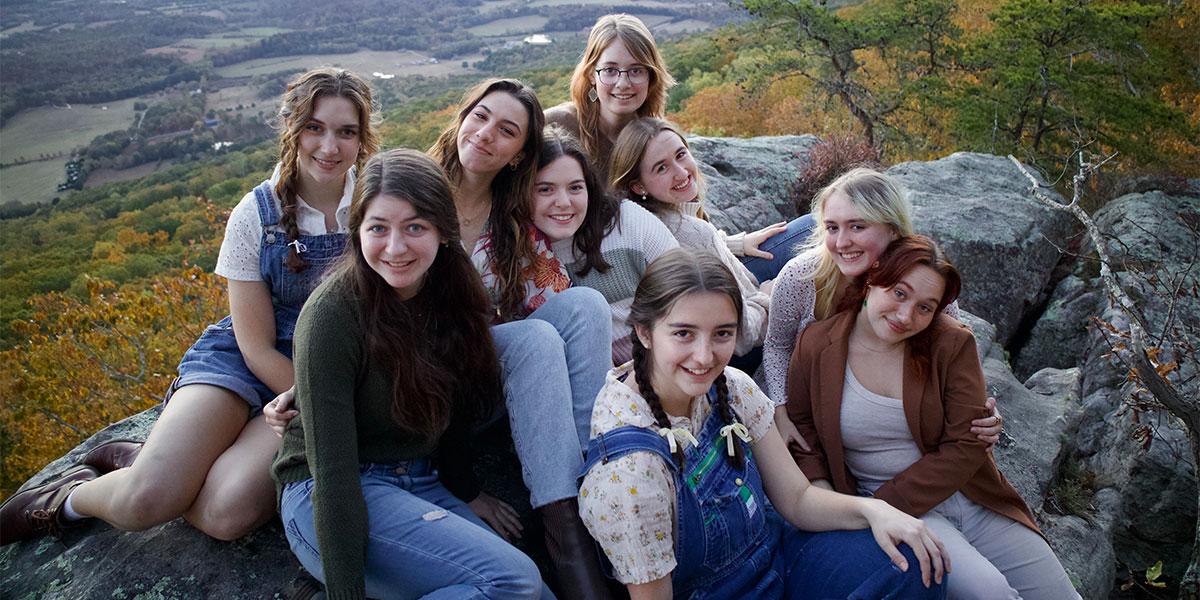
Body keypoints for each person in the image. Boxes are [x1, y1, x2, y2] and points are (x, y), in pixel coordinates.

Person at [0, 68, 378, 546]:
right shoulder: (254, 214)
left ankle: (156, 459)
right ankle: (67, 500)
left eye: (347, 132)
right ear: (292, 127)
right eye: (315, 127)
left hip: (324, 364)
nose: (330, 147)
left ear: (363, 138)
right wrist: (323, 402)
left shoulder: (376, 204)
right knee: (146, 501)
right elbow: (255, 344)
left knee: (227, 514)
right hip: (248, 360)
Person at [579, 248, 948, 599]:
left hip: (776, 559)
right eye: (683, 333)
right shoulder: (629, 472)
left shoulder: (732, 387)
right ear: (644, 333)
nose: (705, 356)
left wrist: (875, 510)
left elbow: (797, 500)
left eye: (722, 333)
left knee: (915, 563)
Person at [273, 148, 549, 599]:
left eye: (415, 227)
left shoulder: (451, 291)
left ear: (443, 231)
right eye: (378, 228)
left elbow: (453, 406)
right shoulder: (332, 316)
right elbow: (333, 475)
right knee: (514, 583)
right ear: (357, 231)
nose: (395, 248)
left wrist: (466, 491)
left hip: (419, 479)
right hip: (331, 494)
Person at [785, 235, 1079, 599]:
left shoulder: (951, 343)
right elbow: (803, 430)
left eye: (925, 307)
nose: (906, 316)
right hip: (905, 513)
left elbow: (968, 440)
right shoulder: (816, 345)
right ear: (874, 277)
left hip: (973, 497)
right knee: (991, 594)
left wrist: (886, 500)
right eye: (899, 293)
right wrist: (840, 503)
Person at [546, 13, 807, 283]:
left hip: (675, 268)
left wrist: (731, 245)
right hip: (604, 279)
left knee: (812, 230)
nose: (623, 83)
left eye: (636, 70)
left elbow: (681, 222)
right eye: (610, 70)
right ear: (591, 74)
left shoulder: (655, 138)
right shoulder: (558, 125)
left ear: (651, 76)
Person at [763, 167, 1000, 448]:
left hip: (886, 416)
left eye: (857, 226)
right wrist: (780, 410)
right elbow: (777, 344)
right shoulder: (801, 277)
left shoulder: (924, 281)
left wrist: (978, 412)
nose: (841, 242)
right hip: (809, 410)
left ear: (892, 229)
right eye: (832, 227)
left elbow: (951, 353)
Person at [609, 117, 772, 373]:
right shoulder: (692, 232)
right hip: (727, 354)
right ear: (638, 185)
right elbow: (743, 335)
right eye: (661, 168)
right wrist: (767, 298)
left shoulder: (637, 223)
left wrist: (733, 243)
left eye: (681, 154)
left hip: (694, 341)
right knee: (808, 231)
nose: (681, 172)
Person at [533, 124, 679, 363]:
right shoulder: (519, 250)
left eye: (575, 187)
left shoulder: (627, 221)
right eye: (545, 189)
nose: (563, 202)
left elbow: (684, 289)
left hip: (661, 360)